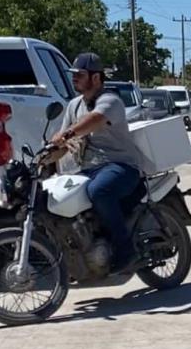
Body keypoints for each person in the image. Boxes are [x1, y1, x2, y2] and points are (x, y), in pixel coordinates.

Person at [46, 52, 142, 273]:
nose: (74, 78)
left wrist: (67, 134)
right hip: (86, 170)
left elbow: (94, 120)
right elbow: (62, 144)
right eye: (74, 75)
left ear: (96, 78)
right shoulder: (73, 106)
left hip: (120, 166)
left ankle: (125, 249)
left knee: (99, 191)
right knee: (57, 196)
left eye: (80, 74)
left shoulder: (110, 101)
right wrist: (44, 158)